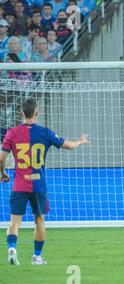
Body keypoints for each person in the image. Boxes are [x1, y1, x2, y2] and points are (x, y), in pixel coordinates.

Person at [0, 98, 89, 265]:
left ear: (21, 114)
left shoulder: (11, 133)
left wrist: (3, 173)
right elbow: (68, 145)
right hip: (38, 185)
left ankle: (12, 247)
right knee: (39, 220)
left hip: (19, 184)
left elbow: (1, 158)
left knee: (14, 221)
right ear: (37, 113)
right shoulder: (44, 132)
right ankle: (36, 257)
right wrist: (80, 141)